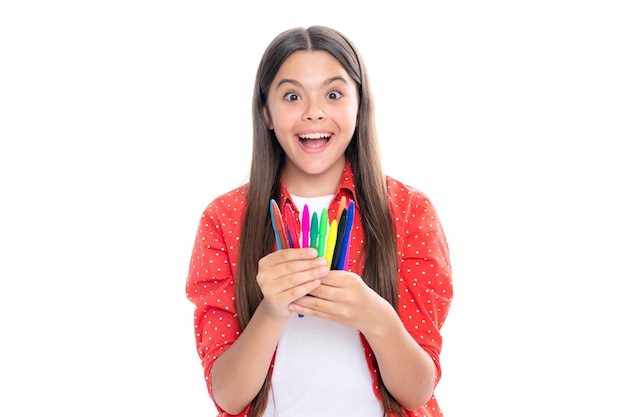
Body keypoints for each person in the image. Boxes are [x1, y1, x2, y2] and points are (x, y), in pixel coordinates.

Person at [186, 25, 453, 417]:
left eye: (333, 94)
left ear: (360, 104)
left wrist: (376, 318)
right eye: (292, 96)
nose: (314, 111)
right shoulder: (225, 219)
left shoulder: (409, 212)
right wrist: (272, 310)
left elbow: (416, 391)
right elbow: (227, 394)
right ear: (266, 112)